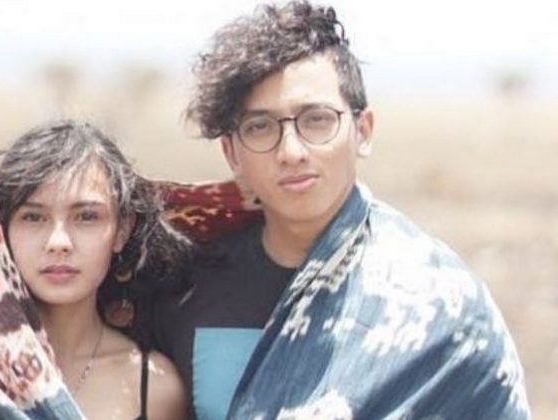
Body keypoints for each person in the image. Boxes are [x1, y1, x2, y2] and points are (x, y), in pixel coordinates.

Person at [153, 2, 531, 419]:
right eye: (260, 127)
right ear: (231, 153)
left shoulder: (440, 303)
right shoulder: (185, 286)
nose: (291, 151)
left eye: (316, 120)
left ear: (363, 132)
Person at [0, 120, 189, 419]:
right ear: (1, 230)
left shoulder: (152, 386)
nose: (59, 243)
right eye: (33, 217)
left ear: (122, 229)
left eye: (86, 217)